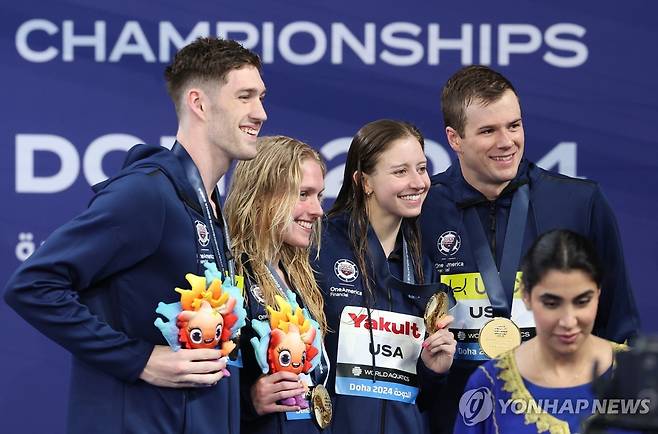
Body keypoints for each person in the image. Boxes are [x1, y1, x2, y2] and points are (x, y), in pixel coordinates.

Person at [3, 37, 267, 434]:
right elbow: (33, 284)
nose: (260, 112)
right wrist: (138, 358)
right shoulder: (147, 193)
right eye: (245, 96)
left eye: (261, 97)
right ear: (198, 103)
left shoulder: (212, 209)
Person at [419, 65, 640, 433]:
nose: (506, 142)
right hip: (451, 417)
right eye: (488, 130)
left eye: (514, 125)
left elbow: (619, 328)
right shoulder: (423, 209)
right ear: (454, 138)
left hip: (559, 417)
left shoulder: (578, 202)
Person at [312, 119, 457, 434]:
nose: (418, 182)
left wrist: (435, 370)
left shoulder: (422, 266)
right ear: (364, 181)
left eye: (421, 168)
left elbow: (421, 394)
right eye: (400, 172)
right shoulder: (319, 246)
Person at [453, 229, 628, 434]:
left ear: (598, 292)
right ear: (526, 295)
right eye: (552, 303)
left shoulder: (640, 376)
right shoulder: (489, 384)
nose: (568, 321)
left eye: (582, 302)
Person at [224, 135, 330, 434]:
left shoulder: (300, 274)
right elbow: (201, 379)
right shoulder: (229, 273)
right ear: (263, 195)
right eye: (303, 194)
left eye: (319, 196)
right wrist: (248, 401)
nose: (318, 210)